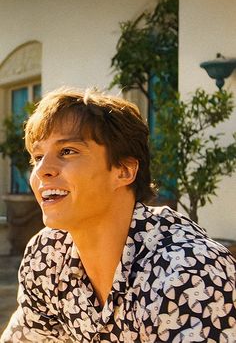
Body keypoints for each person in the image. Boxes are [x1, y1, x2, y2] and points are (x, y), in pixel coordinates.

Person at [1, 87, 235, 343]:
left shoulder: (191, 271)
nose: (42, 170)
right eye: (37, 157)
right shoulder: (47, 254)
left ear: (123, 171)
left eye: (67, 151)